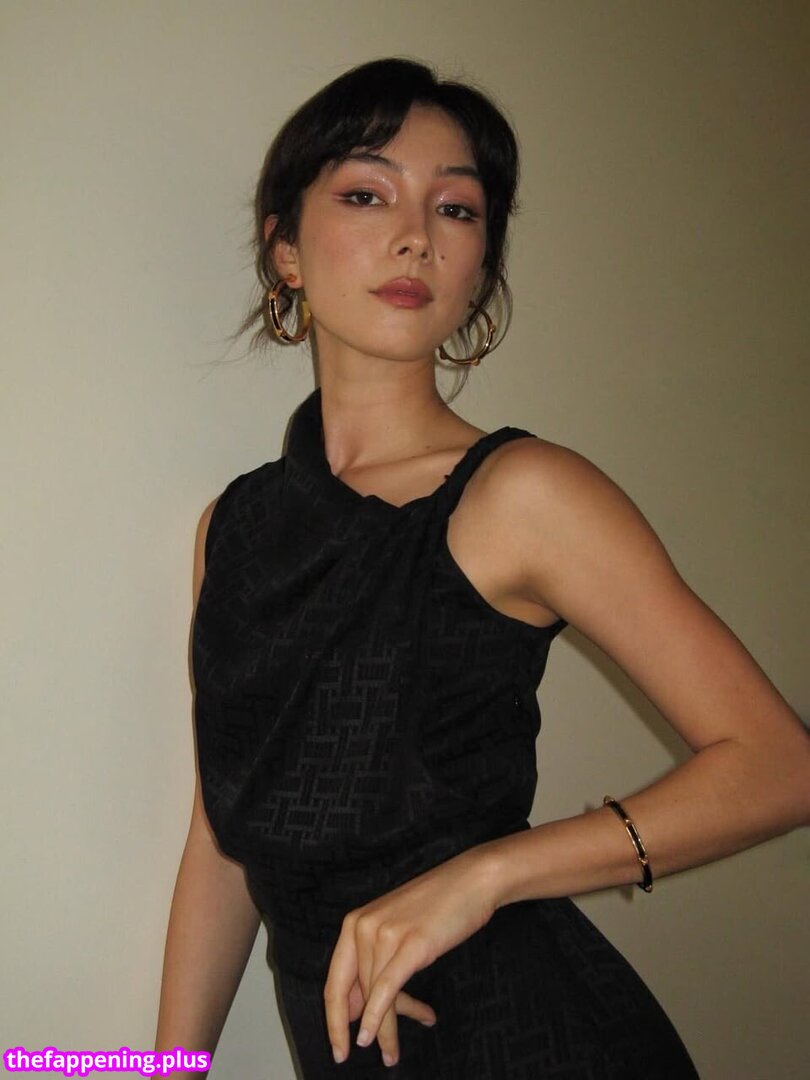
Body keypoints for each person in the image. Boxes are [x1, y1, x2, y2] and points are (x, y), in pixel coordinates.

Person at [155, 58, 810, 1079]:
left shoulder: (522, 495)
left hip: (528, 1035)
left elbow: (778, 765)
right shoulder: (232, 528)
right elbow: (226, 829)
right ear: (285, 251)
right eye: (367, 194)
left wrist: (485, 875)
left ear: (479, 269)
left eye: (455, 208)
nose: (416, 234)